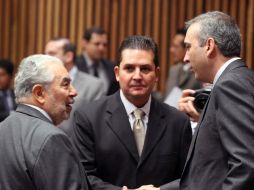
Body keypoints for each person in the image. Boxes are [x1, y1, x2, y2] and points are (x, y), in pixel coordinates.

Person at [72, 35, 192, 190]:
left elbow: (190, 176)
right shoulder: (88, 117)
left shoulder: (178, 121)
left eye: (145, 69)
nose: (137, 76)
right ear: (117, 73)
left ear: (156, 74)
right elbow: (84, 176)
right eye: (129, 68)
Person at [169, 11, 254, 190]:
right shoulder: (241, 78)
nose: (185, 57)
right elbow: (212, 172)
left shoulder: (230, 85)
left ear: (209, 45)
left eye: (188, 47)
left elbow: (246, 164)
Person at [0, 54, 90, 190]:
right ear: (39, 93)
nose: (74, 92)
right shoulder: (52, 138)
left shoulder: (3, 127)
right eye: (65, 85)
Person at [45, 37, 105, 102]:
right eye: (45, 54)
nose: (45, 58)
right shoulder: (43, 80)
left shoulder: (94, 85)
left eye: (51, 54)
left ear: (68, 57)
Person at [76, 26, 119, 95]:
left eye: (104, 45)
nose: (101, 48)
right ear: (84, 43)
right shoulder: (75, 65)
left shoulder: (112, 67)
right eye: (97, 44)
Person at [164, 29, 201, 107]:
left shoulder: (200, 71)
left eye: (176, 46)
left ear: (186, 48)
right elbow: (166, 97)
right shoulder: (173, 70)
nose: (171, 50)